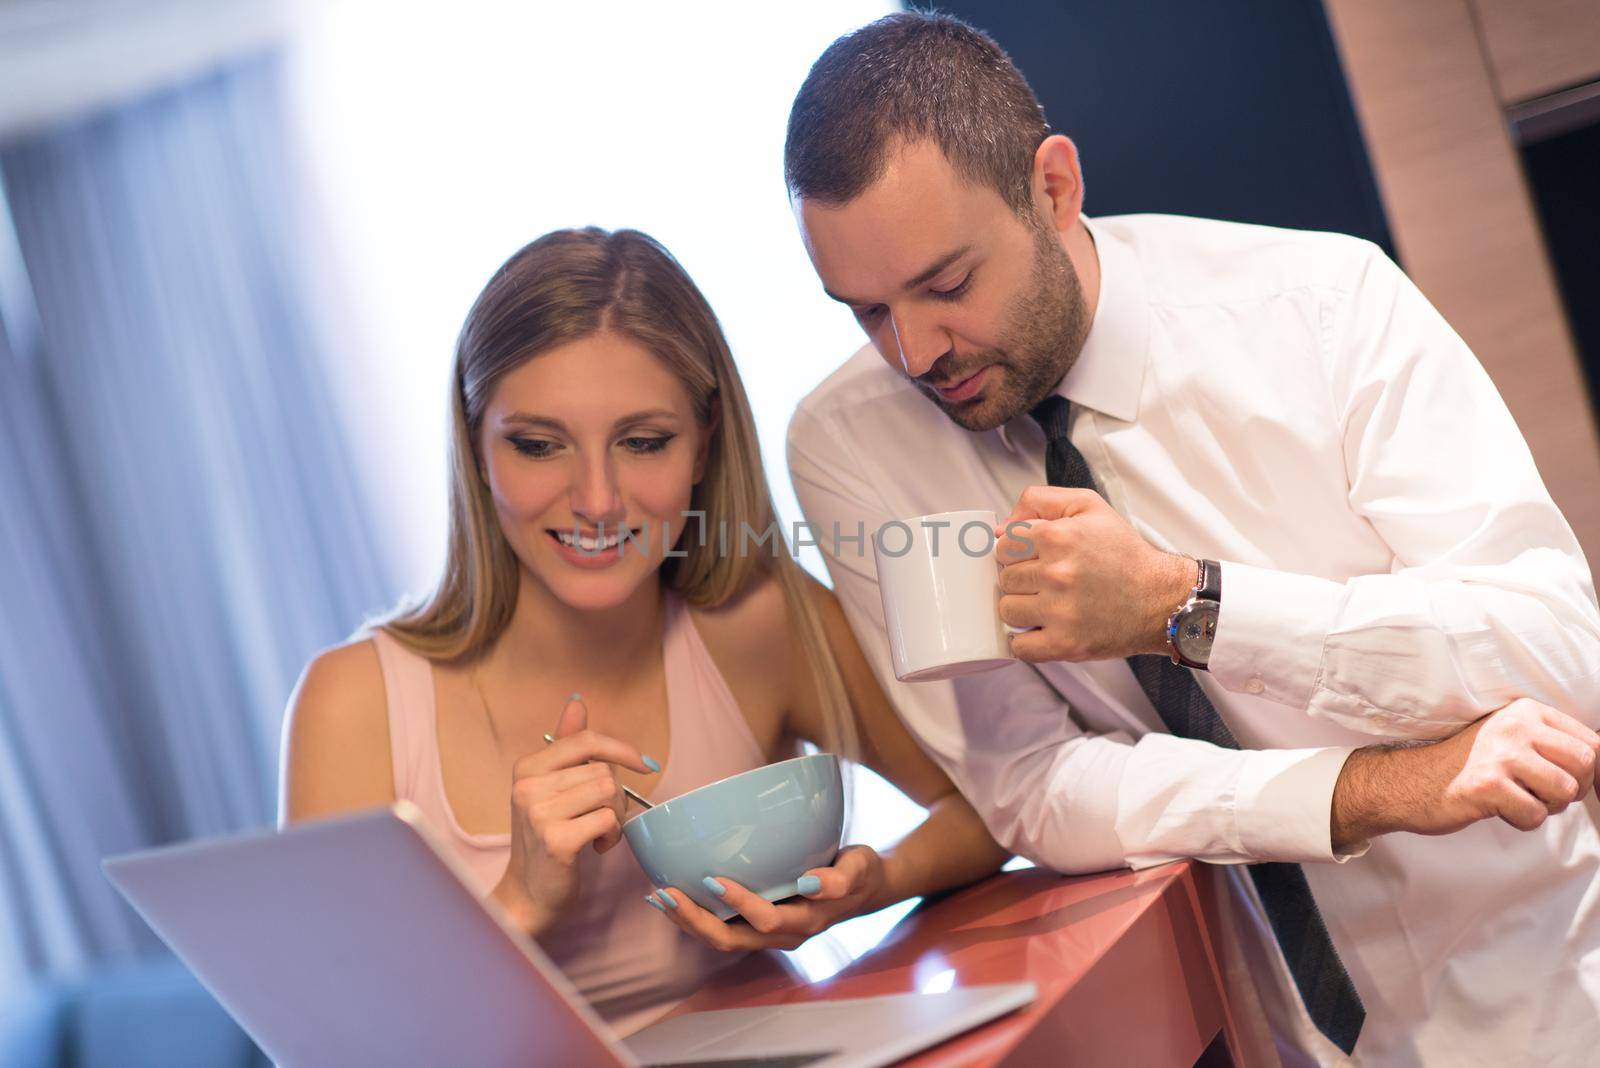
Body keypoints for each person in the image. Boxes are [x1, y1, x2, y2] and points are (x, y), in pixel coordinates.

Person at [782, 12, 1600, 1067]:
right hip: (1260, 1028)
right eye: (863, 312)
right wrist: (1359, 792)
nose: (913, 353)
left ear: (1054, 187)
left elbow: (1559, 658)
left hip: (1537, 998)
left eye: (946, 287)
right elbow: (1029, 783)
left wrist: (1190, 606)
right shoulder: (849, 444)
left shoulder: (1322, 308)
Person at [278, 227, 1008, 1035]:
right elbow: (326, 1041)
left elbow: (997, 804)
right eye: (537, 445)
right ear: (476, 446)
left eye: (643, 442)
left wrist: (875, 883)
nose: (597, 499)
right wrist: (518, 904)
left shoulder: (754, 621)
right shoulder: (352, 705)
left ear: (705, 440)